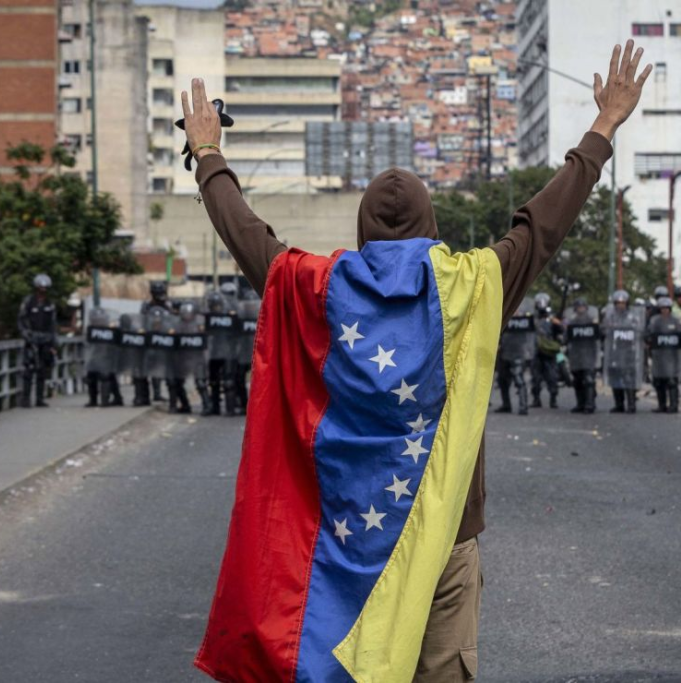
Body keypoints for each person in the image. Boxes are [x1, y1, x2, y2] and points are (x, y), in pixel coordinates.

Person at [183, 40, 650, 682]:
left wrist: (209, 155)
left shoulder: (313, 288)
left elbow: (249, 238)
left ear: (361, 230)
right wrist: (602, 129)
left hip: (348, 541)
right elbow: (541, 226)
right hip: (447, 536)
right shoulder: (473, 285)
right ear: (432, 224)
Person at [18, 273, 58, 408]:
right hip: (31, 339)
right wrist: (26, 335)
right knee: (28, 369)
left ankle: (40, 399)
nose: (43, 292)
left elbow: (53, 324)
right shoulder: (28, 302)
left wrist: (53, 343)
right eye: (41, 289)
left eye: (45, 289)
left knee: (42, 370)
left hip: (45, 340)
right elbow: (21, 320)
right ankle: (26, 400)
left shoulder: (50, 304)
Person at [603, 289, 644, 414]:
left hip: (629, 352)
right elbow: (604, 330)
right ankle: (619, 404)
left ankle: (631, 405)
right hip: (615, 351)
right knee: (616, 377)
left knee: (629, 378)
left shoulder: (633, 317)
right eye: (618, 303)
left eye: (623, 303)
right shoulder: (610, 317)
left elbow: (639, 331)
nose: (621, 305)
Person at [202, 286, 240, 416]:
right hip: (213, 353)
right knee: (213, 381)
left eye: (217, 305)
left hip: (228, 352)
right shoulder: (207, 318)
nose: (215, 308)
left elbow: (239, 334)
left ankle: (230, 409)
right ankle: (215, 407)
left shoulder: (231, 316)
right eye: (213, 305)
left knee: (229, 381)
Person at [496, 298, 535, 415]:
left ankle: (523, 406)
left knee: (519, 379)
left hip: (519, 350)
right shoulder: (504, 312)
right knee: (502, 380)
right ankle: (506, 404)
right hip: (505, 349)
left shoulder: (525, 317)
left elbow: (531, 331)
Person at [139, 280, 175, 402]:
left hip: (165, 338)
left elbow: (173, 320)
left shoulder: (168, 305)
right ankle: (149, 394)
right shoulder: (146, 306)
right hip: (150, 339)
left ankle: (168, 395)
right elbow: (142, 320)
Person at [646, 297, 681, 414]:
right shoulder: (654, 321)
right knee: (658, 381)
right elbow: (648, 334)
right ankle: (661, 405)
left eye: (667, 308)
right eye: (662, 308)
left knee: (672, 381)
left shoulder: (675, 321)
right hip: (658, 355)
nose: (664, 311)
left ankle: (674, 405)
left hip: (672, 355)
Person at [564, 298, 599, 414]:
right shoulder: (572, 321)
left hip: (589, 353)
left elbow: (598, 334)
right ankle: (580, 403)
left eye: (583, 307)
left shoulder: (591, 320)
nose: (581, 309)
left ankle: (590, 404)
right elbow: (566, 337)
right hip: (575, 354)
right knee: (577, 381)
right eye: (579, 307)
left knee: (589, 380)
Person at [84, 307, 123, 407]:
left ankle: (105, 400)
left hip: (107, 357)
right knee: (91, 376)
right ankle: (93, 400)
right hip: (94, 357)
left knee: (106, 376)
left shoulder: (112, 330)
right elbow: (87, 344)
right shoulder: (91, 330)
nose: (98, 321)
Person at [530, 292, 561, 409]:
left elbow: (561, 330)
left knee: (552, 377)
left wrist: (558, 323)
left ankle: (553, 399)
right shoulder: (533, 318)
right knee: (535, 377)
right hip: (537, 351)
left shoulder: (552, 318)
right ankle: (536, 399)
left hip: (549, 352)